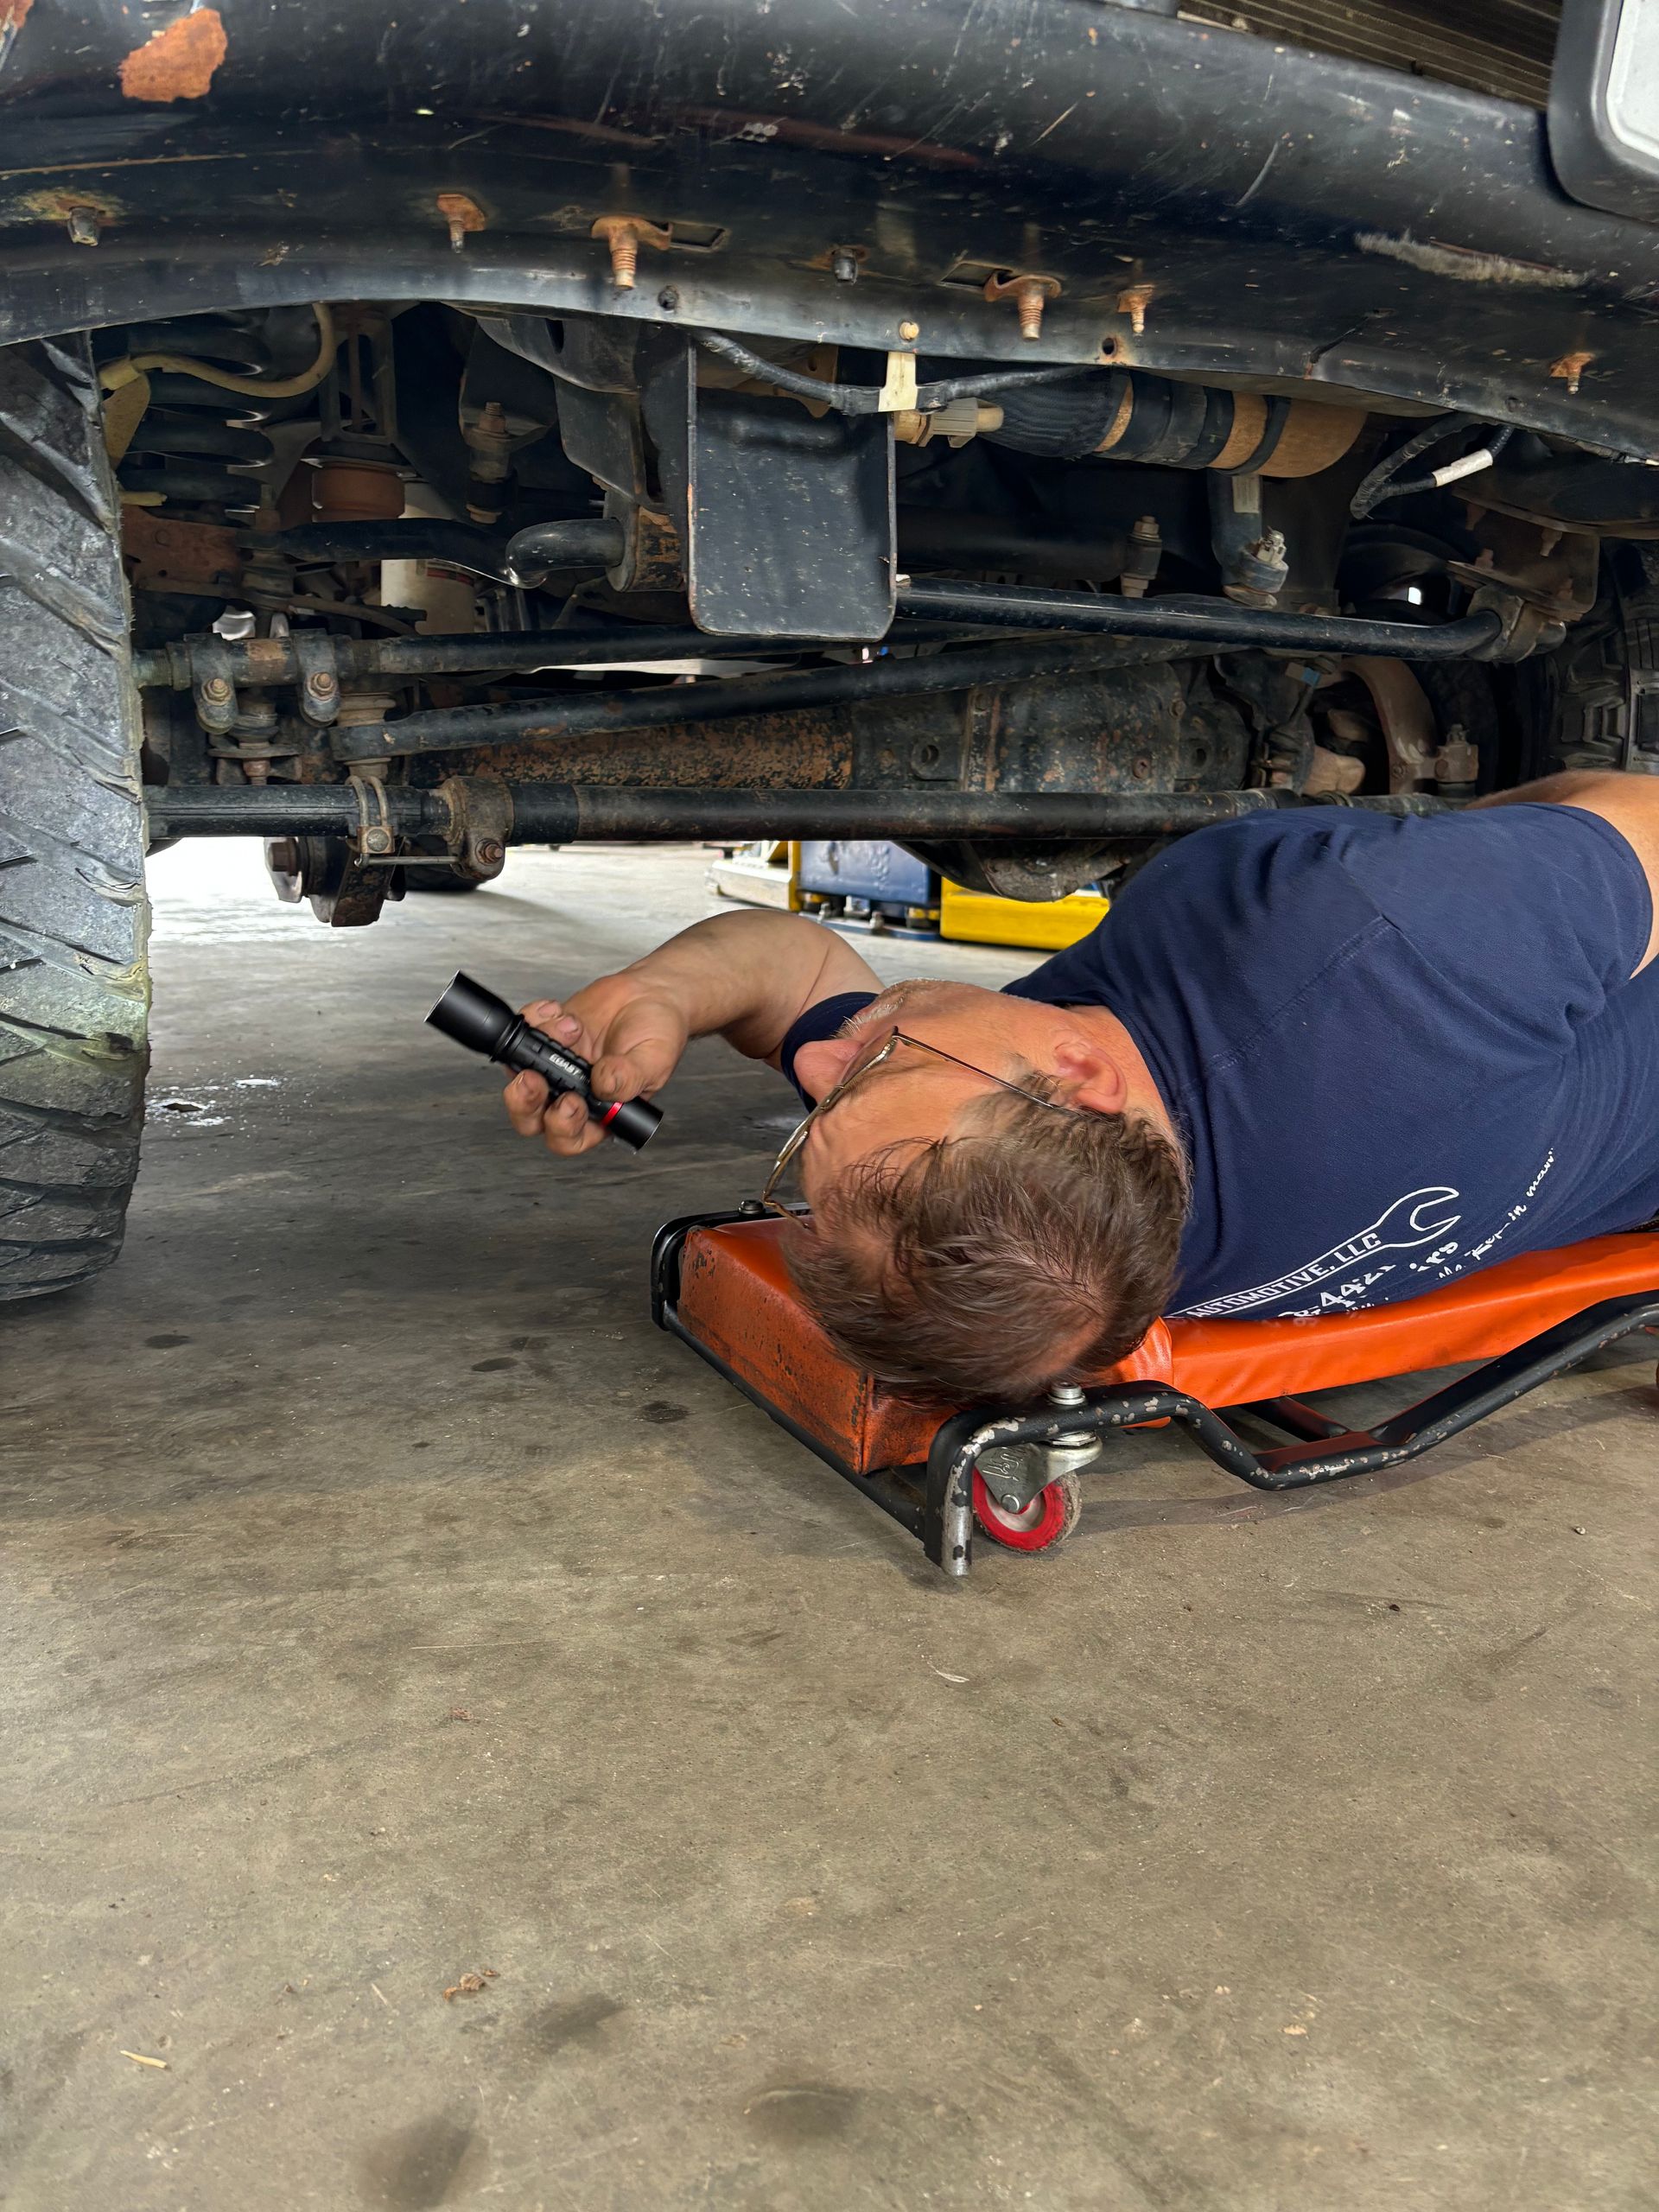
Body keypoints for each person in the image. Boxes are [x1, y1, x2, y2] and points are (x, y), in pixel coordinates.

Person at [502, 772, 1659, 1401]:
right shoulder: (1378, 955)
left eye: (827, 1103)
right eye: (877, 1065)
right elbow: (1635, 812)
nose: (827, 1057)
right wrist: (1473, 853)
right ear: (1081, 1079)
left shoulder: (1083, 1249)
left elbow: (793, 977)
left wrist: (660, 993)